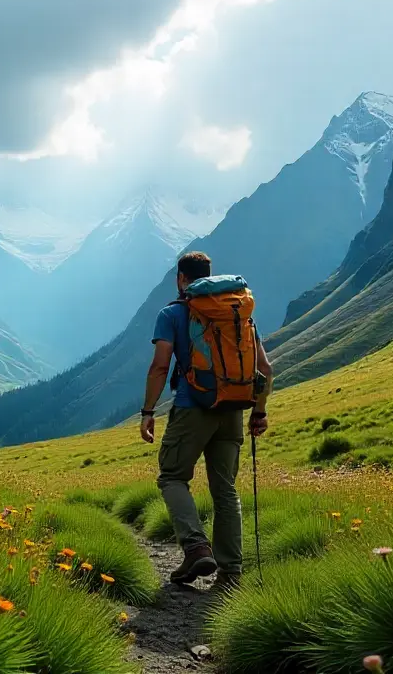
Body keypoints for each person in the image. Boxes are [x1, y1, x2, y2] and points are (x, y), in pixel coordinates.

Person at [139, 251, 272, 590]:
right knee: (225, 489)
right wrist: (259, 411)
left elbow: (160, 366)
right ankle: (230, 574)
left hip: (192, 407)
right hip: (233, 408)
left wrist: (148, 411)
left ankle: (196, 546)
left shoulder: (172, 313)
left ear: (181, 279)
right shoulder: (237, 312)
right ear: (209, 276)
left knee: (172, 477)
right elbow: (265, 369)